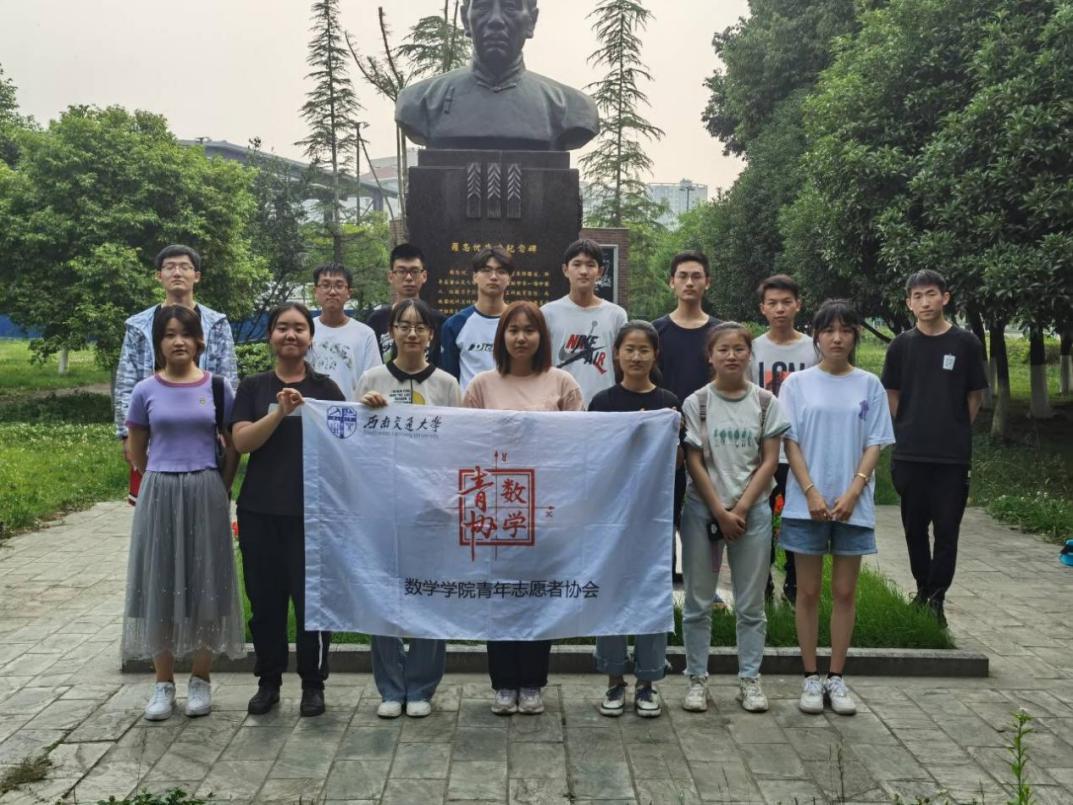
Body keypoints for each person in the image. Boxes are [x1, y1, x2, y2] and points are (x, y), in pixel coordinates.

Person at [121, 305, 245, 721]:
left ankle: (200, 679)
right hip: (159, 492)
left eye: (186, 334)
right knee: (159, 582)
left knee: (206, 582)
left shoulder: (217, 388)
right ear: (158, 342)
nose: (178, 341)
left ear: (199, 341)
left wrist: (221, 485)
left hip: (206, 489)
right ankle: (162, 684)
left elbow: (232, 444)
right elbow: (136, 447)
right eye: (170, 334)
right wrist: (157, 476)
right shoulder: (145, 390)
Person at [463, 301, 584, 715]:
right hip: (494, 509)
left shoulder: (562, 382)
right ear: (501, 337)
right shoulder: (481, 385)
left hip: (545, 508)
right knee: (499, 596)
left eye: (529, 330)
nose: (520, 337)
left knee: (536, 594)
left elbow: (582, 443)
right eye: (512, 330)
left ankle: (532, 682)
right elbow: (463, 445)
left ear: (541, 337)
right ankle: (503, 683)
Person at [779, 300, 894, 716]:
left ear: (856, 335)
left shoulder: (869, 384)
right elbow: (789, 442)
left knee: (845, 592)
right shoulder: (796, 384)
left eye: (846, 330)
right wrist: (811, 491)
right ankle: (810, 675)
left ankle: (837, 677)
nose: (837, 338)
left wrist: (853, 491)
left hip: (852, 505)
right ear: (816, 336)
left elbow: (875, 442)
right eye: (829, 330)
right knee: (807, 592)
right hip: (804, 504)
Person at [231, 303, 346, 718]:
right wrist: (281, 411)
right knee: (265, 605)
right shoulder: (253, 387)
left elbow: (346, 442)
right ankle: (269, 682)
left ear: (311, 338)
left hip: (313, 515)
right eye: (282, 327)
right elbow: (242, 442)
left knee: (313, 603)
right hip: (260, 512)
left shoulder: (326, 389)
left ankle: (313, 685)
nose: (291, 335)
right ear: (271, 336)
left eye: (299, 328)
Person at [357, 299, 463, 719]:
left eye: (421, 327)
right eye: (404, 325)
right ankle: (389, 686)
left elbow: (458, 444)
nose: (412, 333)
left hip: (432, 506)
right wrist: (365, 411)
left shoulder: (448, 384)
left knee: (429, 592)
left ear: (432, 334)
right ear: (392, 332)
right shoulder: (372, 379)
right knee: (383, 592)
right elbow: (352, 441)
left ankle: (420, 686)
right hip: (383, 504)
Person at [680, 323, 789, 714]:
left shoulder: (766, 402)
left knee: (750, 604)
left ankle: (750, 680)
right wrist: (719, 510)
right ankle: (696, 679)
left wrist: (739, 510)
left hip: (752, 513)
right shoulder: (697, 403)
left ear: (749, 354)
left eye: (739, 349)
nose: (731, 356)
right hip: (702, 511)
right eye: (723, 349)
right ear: (710, 356)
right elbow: (694, 461)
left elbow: (770, 460)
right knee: (697, 602)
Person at [881, 270, 987, 626]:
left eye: (931, 294)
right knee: (913, 528)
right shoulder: (901, 346)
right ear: (909, 303)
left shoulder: (966, 343)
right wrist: (909, 427)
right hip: (910, 454)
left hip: (951, 457)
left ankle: (937, 597)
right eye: (917, 296)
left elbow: (974, 397)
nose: (925, 302)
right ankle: (922, 589)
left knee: (947, 530)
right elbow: (892, 393)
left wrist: (951, 428)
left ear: (945, 297)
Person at [589, 321, 679, 719]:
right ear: (616, 354)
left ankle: (648, 680)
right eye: (629, 349)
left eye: (644, 350)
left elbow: (678, 462)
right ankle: (613, 678)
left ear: (655, 355)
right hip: (609, 518)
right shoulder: (602, 402)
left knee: (651, 593)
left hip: (653, 518)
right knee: (610, 592)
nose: (637, 357)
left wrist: (667, 430)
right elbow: (591, 459)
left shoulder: (667, 402)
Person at [114, 244, 239, 504]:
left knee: (205, 509)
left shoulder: (216, 323)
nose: (177, 273)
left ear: (197, 276)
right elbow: (127, 381)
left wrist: (228, 430)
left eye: (185, 267)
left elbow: (228, 376)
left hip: (204, 432)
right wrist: (126, 434)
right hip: (156, 430)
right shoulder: (139, 325)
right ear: (158, 276)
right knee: (154, 507)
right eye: (169, 267)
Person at [394, 0, 599, 151]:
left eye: (510, 7)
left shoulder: (569, 108)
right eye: (483, 6)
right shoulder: (420, 102)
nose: (496, 20)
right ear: (465, 19)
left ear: (531, 21)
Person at [652, 251, 721, 583]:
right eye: (682, 276)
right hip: (666, 442)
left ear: (707, 282)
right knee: (664, 516)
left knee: (706, 517)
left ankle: (704, 589)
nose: (689, 282)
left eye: (696, 276)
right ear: (671, 282)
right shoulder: (657, 332)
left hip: (711, 439)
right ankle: (663, 588)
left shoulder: (720, 333)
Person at [750, 274, 816, 604]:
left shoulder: (813, 348)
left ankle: (794, 582)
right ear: (762, 308)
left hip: (801, 450)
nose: (780, 309)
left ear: (798, 305)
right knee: (761, 517)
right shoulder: (752, 349)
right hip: (762, 450)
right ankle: (761, 581)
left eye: (786, 302)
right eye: (772, 303)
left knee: (796, 517)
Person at [542, 239, 628, 406]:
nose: (583, 271)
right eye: (577, 264)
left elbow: (621, 364)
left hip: (605, 406)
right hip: (559, 407)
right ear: (565, 270)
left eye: (590, 265)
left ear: (600, 271)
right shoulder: (547, 313)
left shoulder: (616, 315)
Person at [441, 246, 513, 392]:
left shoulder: (518, 322)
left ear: (509, 279)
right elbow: (449, 379)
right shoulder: (455, 324)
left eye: (501, 271)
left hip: (511, 403)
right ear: (474, 277)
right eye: (486, 270)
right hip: (469, 405)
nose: (493, 277)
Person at [307, 263, 381, 401]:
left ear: (349, 293)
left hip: (351, 411)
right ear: (315, 291)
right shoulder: (305, 330)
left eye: (339, 285)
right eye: (325, 285)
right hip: (312, 411)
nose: (332, 292)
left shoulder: (365, 334)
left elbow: (374, 381)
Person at [365, 244, 446, 365]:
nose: (408, 278)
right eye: (401, 271)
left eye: (414, 271)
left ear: (424, 276)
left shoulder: (438, 321)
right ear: (391, 276)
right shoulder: (377, 320)